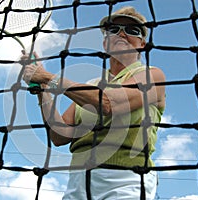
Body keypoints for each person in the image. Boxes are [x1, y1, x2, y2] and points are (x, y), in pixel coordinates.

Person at [22, 6, 165, 200]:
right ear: (105, 44)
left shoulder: (152, 75)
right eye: (114, 29)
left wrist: (48, 77)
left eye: (132, 30)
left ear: (142, 44)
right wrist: (43, 88)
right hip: (78, 182)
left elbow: (108, 103)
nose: (122, 33)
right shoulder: (91, 86)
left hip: (128, 180)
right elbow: (59, 135)